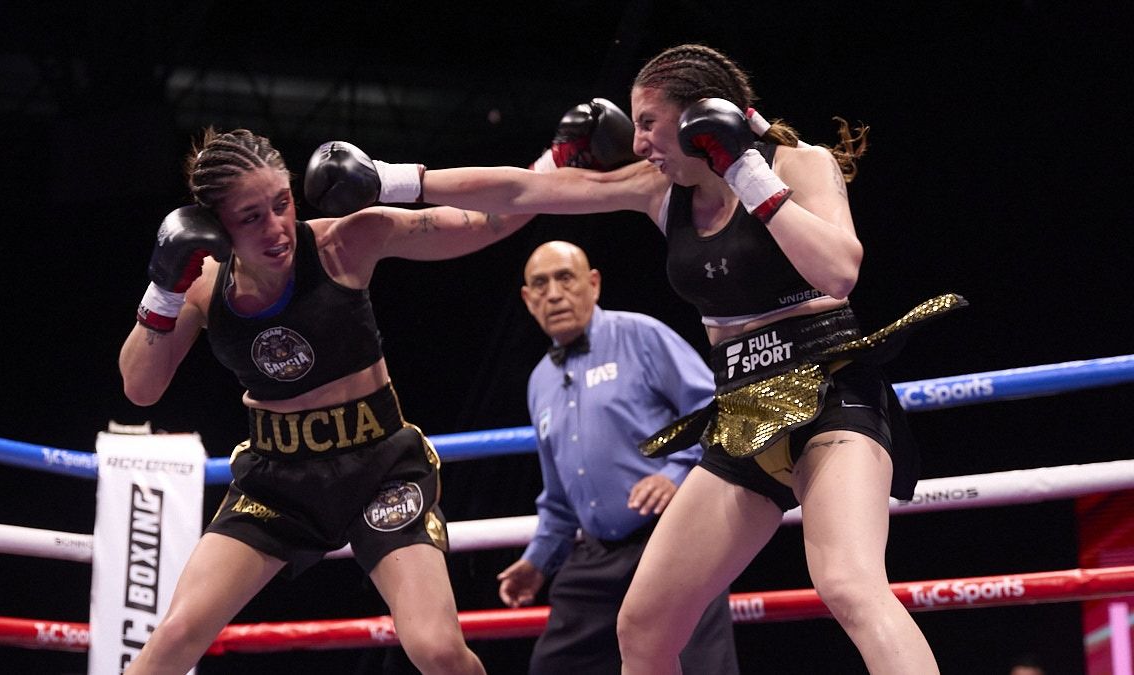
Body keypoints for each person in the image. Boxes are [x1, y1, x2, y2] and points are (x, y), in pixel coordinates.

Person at [304, 43, 965, 674]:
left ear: (701, 111)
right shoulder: (658, 188)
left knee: (849, 582)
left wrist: (746, 168)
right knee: (643, 627)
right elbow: (521, 191)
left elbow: (839, 271)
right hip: (742, 414)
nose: (639, 140)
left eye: (650, 122)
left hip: (831, 396)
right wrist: (388, 180)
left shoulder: (797, 164)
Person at [118, 128, 534, 674]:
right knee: (172, 637)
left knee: (436, 649)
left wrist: (553, 163)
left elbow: (491, 221)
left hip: (381, 470)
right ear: (215, 227)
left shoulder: (343, 243)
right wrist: (164, 290)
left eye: (281, 204)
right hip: (278, 482)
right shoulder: (201, 287)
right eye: (251, 217)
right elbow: (140, 388)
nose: (275, 229)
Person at [498, 240, 739, 674]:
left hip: (671, 537)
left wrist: (674, 474)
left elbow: (717, 413)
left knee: (698, 667)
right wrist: (537, 562)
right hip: (597, 556)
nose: (554, 293)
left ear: (593, 284)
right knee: (553, 666)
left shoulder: (639, 335)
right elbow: (558, 498)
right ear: (527, 299)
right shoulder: (539, 383)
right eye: (540, 284)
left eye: (565, 278)